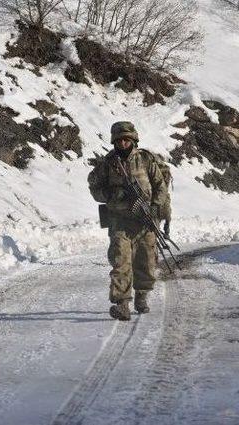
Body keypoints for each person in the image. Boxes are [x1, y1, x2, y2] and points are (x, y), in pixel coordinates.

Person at [87, 121, 169, 321]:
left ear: (133, 140)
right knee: (120, 261)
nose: (123, 143)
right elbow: (94, 188)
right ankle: (122, 303)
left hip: (145, 219)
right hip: (119, 220)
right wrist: (112, 196)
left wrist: (155, 208)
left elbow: (160, 186)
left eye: (127, 139)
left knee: (146, 261)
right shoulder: (107, 164)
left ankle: (142, 295)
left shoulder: (146, 159)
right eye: (119, 140)